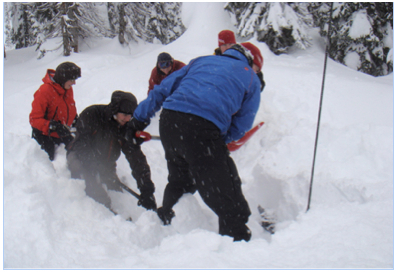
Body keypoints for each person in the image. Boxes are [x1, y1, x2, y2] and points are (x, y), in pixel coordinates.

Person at [127, 43, 264, 242]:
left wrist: (137, 121)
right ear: (250, 61)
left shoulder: (202, 60)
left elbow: (160, 90)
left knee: (180, 180)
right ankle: (237, 241)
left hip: (170, 122)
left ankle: (167, 223)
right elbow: (243, 123)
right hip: (203, 128)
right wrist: (220, 140)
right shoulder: (251, 78)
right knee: (225, 188)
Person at [67, 91, 157, 214]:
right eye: (124, 115)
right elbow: (81, 146)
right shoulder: (92, 115)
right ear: (115, 110)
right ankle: (106, 217)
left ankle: (120, 213)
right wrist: (94, 167)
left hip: (105, 164)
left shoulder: (125, 127)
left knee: (116, 191)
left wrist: (146, 189)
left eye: (130, 115)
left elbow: (136, 158)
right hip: (81, 159)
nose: (127, 119)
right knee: (95, 192)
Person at [29, 62, 81, 161]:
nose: (74, 83)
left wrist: (75, 120)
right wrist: (52, 126)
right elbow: (34, 119)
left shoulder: (67, 89)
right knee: (48, 163)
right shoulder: (45, 91)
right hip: (44, 134)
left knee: (77, 152)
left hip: (61, 132)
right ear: (63, 79)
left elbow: (70, 108)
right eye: (72, 80)